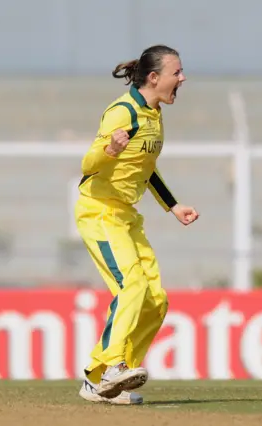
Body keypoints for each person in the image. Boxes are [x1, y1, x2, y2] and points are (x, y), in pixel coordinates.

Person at [75, 45, 199, 405]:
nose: (183, 78)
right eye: (177, 72)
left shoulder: (154, 114)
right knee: (131, 284)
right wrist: (109, 150)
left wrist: (173, 206)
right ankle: (112, 366)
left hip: (126, 215)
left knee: (156, 301)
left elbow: (145, 168)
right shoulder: (122, 112)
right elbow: (88, 163)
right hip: (99, 212)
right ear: (154, 77)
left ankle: (101, 380)